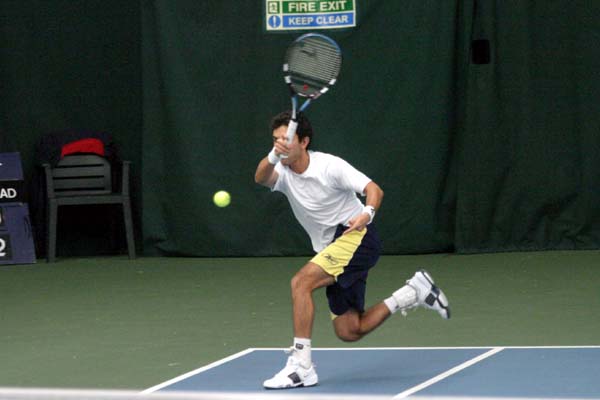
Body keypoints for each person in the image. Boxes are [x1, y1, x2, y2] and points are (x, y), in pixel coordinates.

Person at [254, 111, 450, 390]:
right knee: (350, 330)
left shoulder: (329, 166)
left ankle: (301, 367)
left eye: (286, 139)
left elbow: (374, 190)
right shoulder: (283, 172)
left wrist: (367, 214)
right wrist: (274, 155)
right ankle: (412, 292)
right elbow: (261, 177)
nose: (280, 144)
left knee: (301, 283)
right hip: (331, 248)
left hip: (355, 236)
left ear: (304, 141)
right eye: (276, 140)